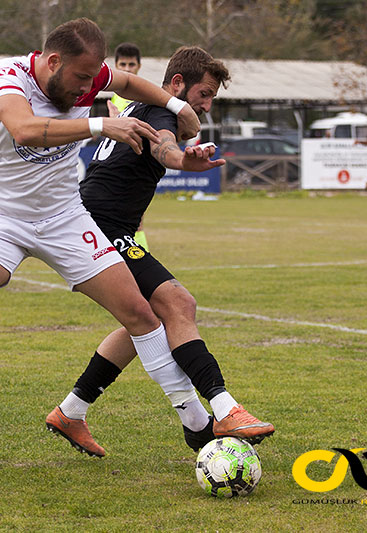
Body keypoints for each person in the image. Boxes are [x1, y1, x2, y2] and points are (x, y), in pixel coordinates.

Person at [0, 18, 201, 475]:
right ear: (52, 61)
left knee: (140, 313)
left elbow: (129, 82)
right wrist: (101, 125)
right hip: (0, 217)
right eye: (82, 79)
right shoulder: (8, 76)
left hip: (64, 217)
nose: (89, 86)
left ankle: (196, 423)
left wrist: (178, 105)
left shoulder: (89, 74)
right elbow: (22, 128)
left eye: (92, 78)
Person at [46, 46, 275, 458]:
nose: (206, 105)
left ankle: (71, 411)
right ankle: (218, 411)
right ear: (176, 84)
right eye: (203, 94)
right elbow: (163, 149)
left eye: (211, 99)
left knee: (145, 320)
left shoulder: (146, 106)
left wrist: (185, 148)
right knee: (177, 303)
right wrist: (184, 159)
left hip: (98, 224)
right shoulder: (162, 112)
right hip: (98, 227)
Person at [107, 42, 149, 250]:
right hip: (116, 165)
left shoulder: (141, 94)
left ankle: (142, 265)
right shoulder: (115, 96)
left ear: (139, 66)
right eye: (122, 64)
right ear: (115, 65)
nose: (127, 69)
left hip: (134, 164)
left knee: (135, 221)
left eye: (131, 64)